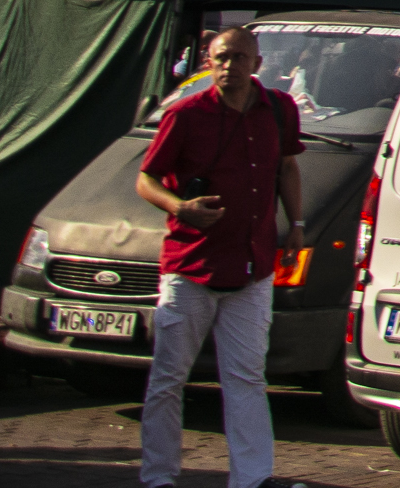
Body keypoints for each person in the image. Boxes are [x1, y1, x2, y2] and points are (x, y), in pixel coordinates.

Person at [137, 27, 303, 488]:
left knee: (246, 375)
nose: (230, 67)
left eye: (239, 58)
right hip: (192, 266)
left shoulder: (278, 109)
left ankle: (252, 477)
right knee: (169, 377)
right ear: (208, 62)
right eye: (221, 58)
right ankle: (159, 476)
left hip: (253, 266)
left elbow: (288, 166)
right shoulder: (187, 114)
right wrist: (179, 207)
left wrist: (298, 224)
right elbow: (146, 178)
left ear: (258, 62)